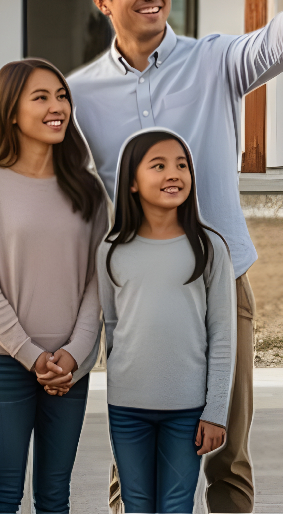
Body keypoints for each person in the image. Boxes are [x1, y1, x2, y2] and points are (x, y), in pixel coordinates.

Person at [0, 0, 283, 512]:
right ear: (103, 1)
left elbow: (273, 45)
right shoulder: (82, 93)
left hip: (220, 284)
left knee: (226, 453)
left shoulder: (215, 61)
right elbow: (45, 156)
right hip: (135, 291)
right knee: (132, 450)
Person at [0, 58, 111, 514]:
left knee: (54, 498)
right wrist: (33, 356)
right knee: (3, 496)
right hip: (4, 364)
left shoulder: (88, 189)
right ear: (10, 112)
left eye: (61, 96)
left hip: (70, 367)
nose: (56, 106)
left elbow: (96, 283)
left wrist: (74, 354)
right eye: (40, 97)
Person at [99, 128, 236, 514]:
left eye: (181, 165)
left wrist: (215, 411)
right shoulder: (110, 251)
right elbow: (111, 329)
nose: (173, 174)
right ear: (131, 183)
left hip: (187, 410)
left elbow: (223, 338)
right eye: (158, 165)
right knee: (137, 504)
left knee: (177, 506)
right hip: (127, 408)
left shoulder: (210, 249)